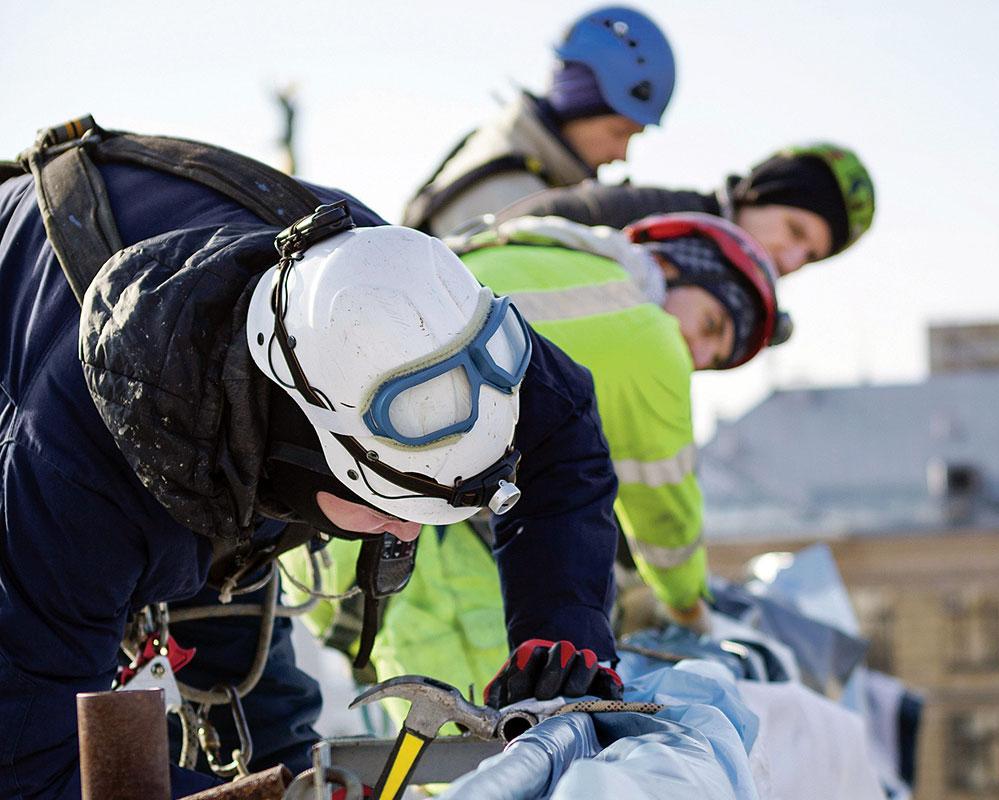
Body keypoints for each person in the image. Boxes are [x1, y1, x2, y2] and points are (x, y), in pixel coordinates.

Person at [0, 120, 623, 798]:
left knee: (256, 704)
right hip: (59, 394)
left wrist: (562, 626)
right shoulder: (69, 480)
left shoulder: (413, 307)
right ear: (305, 455)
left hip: (203, 424)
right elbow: (29, 767)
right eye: (392, 506)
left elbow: (562, 427)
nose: (409, 533)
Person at [296, 211, 778, 708]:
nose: (696, 352)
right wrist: (690, 607)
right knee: (493, 753)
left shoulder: (541, 254)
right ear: (674, 270)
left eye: (712, 360)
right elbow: (663, 512)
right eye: (709, 325)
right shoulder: (649, 335)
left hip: (349, 509)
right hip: (441, 538)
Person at [402, 5, 675, 237]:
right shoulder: (510, 198)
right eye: (619, 132)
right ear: (578, 109)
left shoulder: (514, 154)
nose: (622, 154)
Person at [497, 142, 876, 276]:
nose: (792, 261)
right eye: (795, 230)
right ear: (760, 192)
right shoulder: (655, 214)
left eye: (810, 257)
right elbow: (513, 227)